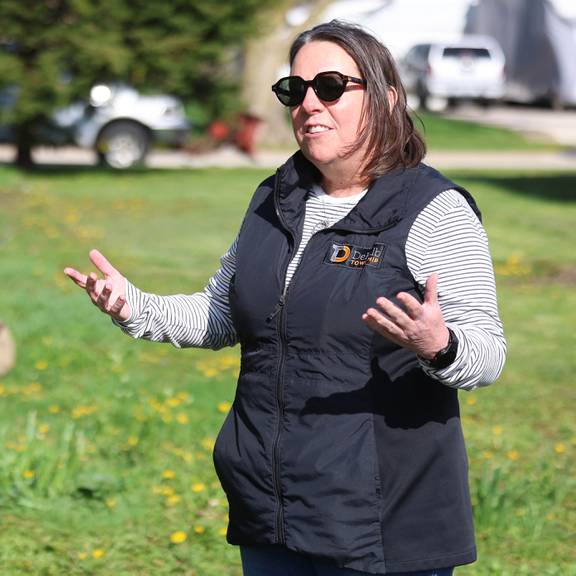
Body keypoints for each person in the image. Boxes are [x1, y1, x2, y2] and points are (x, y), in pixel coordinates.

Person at [64, 20, 506, 576]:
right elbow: (221, 314)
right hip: (271, 508)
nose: (308, 104)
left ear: (388, 98)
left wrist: (438, 345)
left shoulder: (433, 210)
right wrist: (133, 306)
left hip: (380, 525)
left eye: (330, 87)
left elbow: (486, 354)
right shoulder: (275, 198)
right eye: (294, 91)